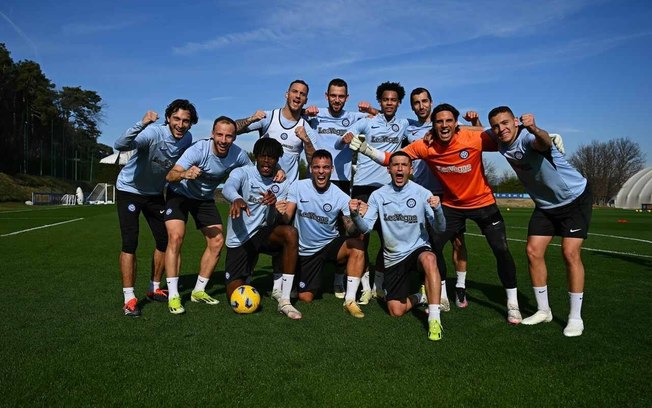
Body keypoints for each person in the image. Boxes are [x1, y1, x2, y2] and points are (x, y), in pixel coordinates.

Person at [349, 103, 523, 324]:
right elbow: (394, 158)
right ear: (433, 125)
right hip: (452, 206)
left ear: (456, 124)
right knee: (433, 246)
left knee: (501, 250)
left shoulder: (473, 138)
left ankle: (513, 305)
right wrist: (366, 150)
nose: (444, 125)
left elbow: (506, 137)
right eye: (439, 121)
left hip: (483, 203)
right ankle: (438, 295)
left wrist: (543, 138)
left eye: (448, 121)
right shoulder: (426, 146)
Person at [487, 106, 592, 337]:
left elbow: (542, 143)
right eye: (495, 126)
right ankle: (544, 310)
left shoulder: (526, 138)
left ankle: (575, 317)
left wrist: (536, 129)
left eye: (505, 123)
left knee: (570, 252)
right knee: (533, 252)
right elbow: (473, 133)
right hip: (545, 205)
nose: (500, 129)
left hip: (574, 199)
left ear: (515, 121)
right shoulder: (500, 140)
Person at [349, 151, 446, 341]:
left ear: (410, 169)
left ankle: (434, 319)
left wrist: (438, 209)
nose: (400, 168)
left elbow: (440, 228)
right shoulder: (378, 195)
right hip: (393, 258)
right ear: (389, 169)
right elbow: (366, 228)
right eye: (395, 165)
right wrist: (355, 216)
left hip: (418, 250)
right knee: (396, 310)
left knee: (430, 258)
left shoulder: (423, 193)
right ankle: (421, 296)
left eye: (404, 165)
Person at [114, 99, 197, 317]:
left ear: (191, 124)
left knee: (164, 240)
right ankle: (129, 299)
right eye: (177, 119)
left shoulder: (187, 139)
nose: (181, 124)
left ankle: (154, 287)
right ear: (168, 118)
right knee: (130, 243)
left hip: (154, 194)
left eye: (186, 121)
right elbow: (120, 144)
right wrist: (141, 124)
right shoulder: (153, 134)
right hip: (129, 190)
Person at [163, 116, 253, 314]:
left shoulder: (238, 155)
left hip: (204, 199)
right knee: (176, 237)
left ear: (234, 138)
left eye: (228, 136)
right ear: (212, 134)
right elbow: (170, 175)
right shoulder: (198, 150)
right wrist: (185, 174)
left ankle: (198, 291)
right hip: (179, 194)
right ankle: (174, 295)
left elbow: (253, 174)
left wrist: (278, 172)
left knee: (217, 241)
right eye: (219, 134)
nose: (223, 140)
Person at [337, 81, 409, 304]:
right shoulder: (366, 122)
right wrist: (345, 139)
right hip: (363, 187)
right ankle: (364, 287)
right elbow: (340, 144)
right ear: (380, 101)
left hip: (390, 189)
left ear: (398, 102)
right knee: (361, 237)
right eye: (385, 99)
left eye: (393, 100)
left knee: (388, 239)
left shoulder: (404, 124)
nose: (389, 103)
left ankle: (378, 283)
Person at [276, 150, 366, 318]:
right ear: (311, 169)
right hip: (306, 251)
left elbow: (352, 230)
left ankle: (350, 300)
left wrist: (355, 215)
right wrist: (280, 213)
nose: (321, 171)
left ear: (332, 169)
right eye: (316, 167)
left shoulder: (340, 195)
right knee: (305, 298)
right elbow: (287, 218)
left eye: (325, 167)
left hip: (329, 245)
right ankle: (298, 280)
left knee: (358, 244)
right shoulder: (298, 186)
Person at [304, 78, 370, 299]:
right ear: (326, 96)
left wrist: (370, 108)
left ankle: (338, 279)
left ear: (347, 98)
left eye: (341, 96)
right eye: (333, 95)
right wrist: (306, 110)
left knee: (343, 229)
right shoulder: (315, 114)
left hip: (340, 180)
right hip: (316, 176)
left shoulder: (353, 117)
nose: (337, 100)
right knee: (308, 223)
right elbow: (294, 114)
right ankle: (300, 272)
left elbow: (380, 117)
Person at [222, 138, 302, 319]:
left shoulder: (281, 183)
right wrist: (236, 198)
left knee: (290, 232)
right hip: (240, 238)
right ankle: (246, 277)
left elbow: (274, 220)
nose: (267, 161)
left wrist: (273, 206)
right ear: (256, 157)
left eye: (272, 157)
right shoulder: (243, 172)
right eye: (263, 156)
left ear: (277, 160)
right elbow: (228, 187)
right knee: (234, 294)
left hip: (263, 233)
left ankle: (285, 299)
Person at [236, 79, 318, 182]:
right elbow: (232, 130)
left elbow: (315, 163)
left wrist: (306, 141)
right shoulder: (268, 117)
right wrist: (250, 120)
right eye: (294, 91)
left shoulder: (305, 128)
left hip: (288, 191)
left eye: (302, 94)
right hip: (262, 187)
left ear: (306, 100)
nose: (298, 96)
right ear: (287, 94)